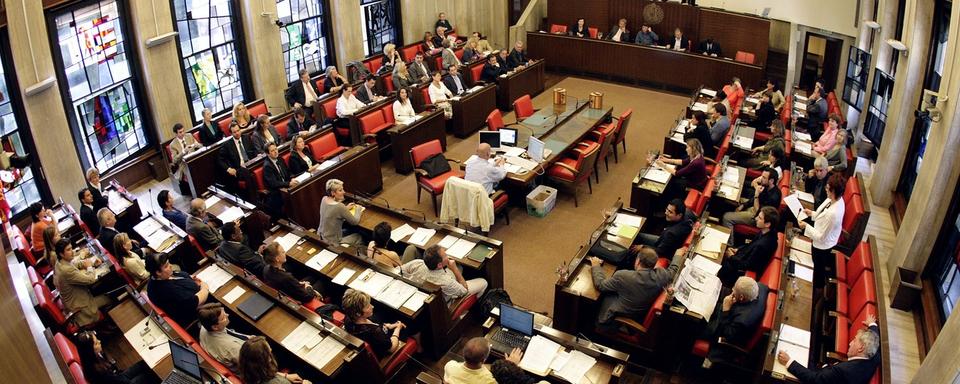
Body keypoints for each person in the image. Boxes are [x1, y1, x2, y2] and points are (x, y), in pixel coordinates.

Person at [589, 246, 682, 327]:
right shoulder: (662, 275)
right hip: (640, 312)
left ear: (638, 261)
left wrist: (596, 266)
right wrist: (678, 255)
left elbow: (600, 285)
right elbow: (673, 270)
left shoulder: (623, 276)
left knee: (601, 294)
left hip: (618, 319)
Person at [777, 314, 881, 384]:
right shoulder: (874, 356)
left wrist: (789, 362)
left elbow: (814, 379)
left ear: (860, 348)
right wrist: (872, 324)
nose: (850, 343)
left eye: (854, 341)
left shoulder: (842, 371)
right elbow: (875, 335)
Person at [702, 276, 768, 367]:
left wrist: (725, 310)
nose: (732, 290)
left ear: (741, 297)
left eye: (734, 290)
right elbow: (765, 288)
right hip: (735, 310)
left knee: (698, 322)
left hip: (724, 327)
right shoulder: (761, 287)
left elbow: (726, 333)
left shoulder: (742, 321)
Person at [799, 173, 845, 287]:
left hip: (822, 246)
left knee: (818, 269)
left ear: (834, 191)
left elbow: (821, 237)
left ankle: (817, 289)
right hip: (820, 229)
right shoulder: (834, 198)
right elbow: (822, 212)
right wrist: (812, 214)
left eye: (828, 188)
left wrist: (806, 226)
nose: (825, 189)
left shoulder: (834, 213)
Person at [402, 245, 488, 306]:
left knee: (460, 267)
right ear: (439, 265)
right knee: (483, 282)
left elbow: (401, 271)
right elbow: (465, 290)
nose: (448, 256)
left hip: (424, 293)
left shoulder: (417, 263)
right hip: (445, 304)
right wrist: (454, 269)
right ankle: (472, 308)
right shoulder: (447, 282)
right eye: (445, 255)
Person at [53, 238, 111, 327]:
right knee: (109, 297)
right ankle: (106, 325)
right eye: (68, 250)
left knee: (100, 288)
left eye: (71, 248)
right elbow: (90, 280)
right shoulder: (66, 270)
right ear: (61, 254)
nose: (72, 252)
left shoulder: (59, 262)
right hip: (82, 308)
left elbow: (74, 265)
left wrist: (91, 262)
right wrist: (89, 267)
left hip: (79, 297)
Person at [717, 207, 780, 285]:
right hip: (740, 258)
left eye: (759, 218)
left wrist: (731, 257)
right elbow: (750, 246)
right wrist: (738, 250)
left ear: (767, 224)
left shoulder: (763, 245)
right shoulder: (766, 232)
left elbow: (746, 266)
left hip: (738, 273)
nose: (756, 218)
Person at [342, 288, 411, 358]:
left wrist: (388, 326)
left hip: (377, 338)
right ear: (358, 313)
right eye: (368, 306)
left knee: (383, 313)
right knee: (410, 327)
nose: (372, 306)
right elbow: (391, 349)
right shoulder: (374, 332)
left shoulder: (348, 317)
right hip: (385, 349)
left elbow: (376, 325)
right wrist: (397, 329)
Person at [146, 251, 209, 326]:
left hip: (197, 292)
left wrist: (189, 278)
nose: (170, 266)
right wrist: (205, 287)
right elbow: (194, 301)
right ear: (158, 272)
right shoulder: (167, 290)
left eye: (169, 263)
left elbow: (179, 276)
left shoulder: (156, 278)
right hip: (200, 312)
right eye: (166, 266)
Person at [75, 331, 155, 384]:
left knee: (145, 363)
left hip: (118, 378)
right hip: (120, 382)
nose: (99, 341)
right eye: (96, 343)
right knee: (151, 374)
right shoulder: (97, 371)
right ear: (90, 350)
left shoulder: (95, 356)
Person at [198, 303, 249, 372]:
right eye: (223, 318)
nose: (227, 315)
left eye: (224, 312)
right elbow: (252, 364)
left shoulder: (204, 327)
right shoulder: (233, 348)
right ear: (215, 327)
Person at [239, 336, 312, 384]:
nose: (271, 350)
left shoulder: (247, 370)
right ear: (266, 359)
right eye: (269, 351)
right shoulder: (281, 382)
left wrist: (285, 376)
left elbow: (262, 374)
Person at [317, 179, 363, 245]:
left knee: (349, 230)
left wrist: (346, 208)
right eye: (340, 190)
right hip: (332, 242)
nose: (344, 192)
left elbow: (333, 213)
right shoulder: (339, 206)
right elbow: (355, 222)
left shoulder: (324, 199)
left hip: (321, 237)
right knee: (359, 236)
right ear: (333, 193)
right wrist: (358, 208)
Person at [217, 122, 257, 196]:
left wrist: (257, 156)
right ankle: (255, 199)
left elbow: (254, 150)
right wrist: (228, 169)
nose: (237, 133)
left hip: (251, 164)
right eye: (234, 132)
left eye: (238, 130)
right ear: (231, 133)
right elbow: (220, 160)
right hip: (239, 169)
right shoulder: (227, 145)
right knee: (249, 175)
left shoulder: (246, 138)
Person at [263, 143, 297, 219]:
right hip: (276, 193)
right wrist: (288, 184)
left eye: (276, 149)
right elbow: (274, 183)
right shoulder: (267, 166)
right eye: (272, 151)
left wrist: (292, 178)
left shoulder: (280, 159)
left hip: (286, 187)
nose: (275, 152)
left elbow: (288, 172)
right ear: (267, 154)